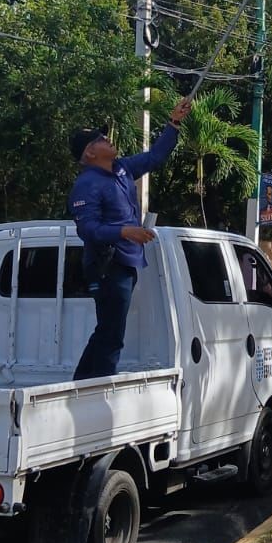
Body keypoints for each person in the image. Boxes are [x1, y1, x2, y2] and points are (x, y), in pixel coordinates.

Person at [68, 97, 192, 380]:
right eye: (100, 138)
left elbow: (155, 157)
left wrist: (174, 123)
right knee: (111, 333)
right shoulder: (86, 185)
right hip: (107, 265)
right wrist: (125, 231)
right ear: (90, 153)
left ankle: (83, 385)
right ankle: (98, 386)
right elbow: (87, 230)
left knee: (108, 330)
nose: (107, 138)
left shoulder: (122, 169)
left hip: (126, 262)